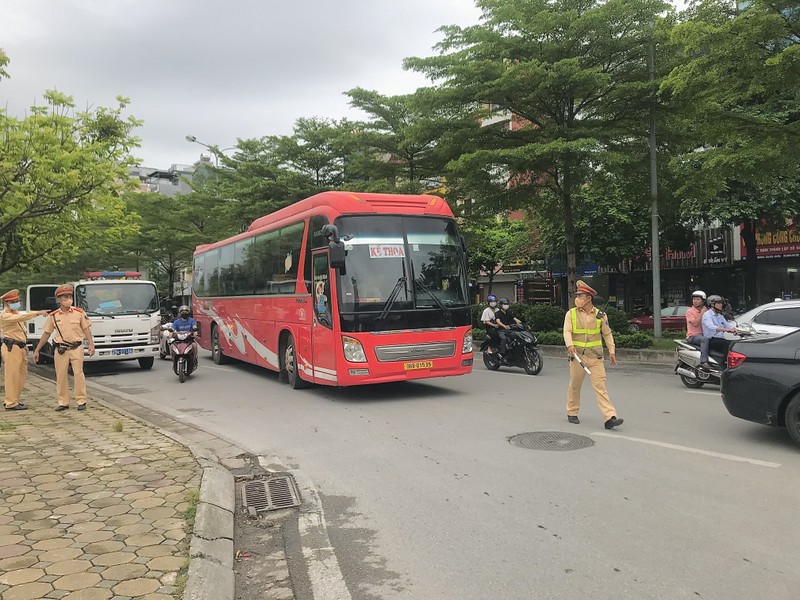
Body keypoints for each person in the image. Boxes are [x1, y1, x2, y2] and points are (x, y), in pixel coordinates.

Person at [563, 280, 624, 429]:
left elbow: (607, 334)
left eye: (580, 295)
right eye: (576, 295)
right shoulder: (571, 314)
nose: (577, 298)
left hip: (596, 358)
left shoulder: (600, 315)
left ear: (588, 298)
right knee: (575, 385)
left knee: (601, 387)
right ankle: (572, 411)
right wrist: (570, 345)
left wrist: (611, 351)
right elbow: (567, 331)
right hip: (578, 357)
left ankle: (610, 417)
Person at [33, 284, 95, 411]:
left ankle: (81, 401)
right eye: (65, 297)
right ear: (59, 299)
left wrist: (91, 344)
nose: (68, 299)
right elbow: (46, 333)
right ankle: (63, 402)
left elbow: (86, 329)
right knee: (61, 376)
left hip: (76, 347)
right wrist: (37, 349)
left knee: (78, 374)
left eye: (70, 296)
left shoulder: (79, 313)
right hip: (61, 349)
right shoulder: (54, 316)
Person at [1, 289, 48, 411]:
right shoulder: (5, 315)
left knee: (21, 375)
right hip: (11, 347)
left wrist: (25, 345)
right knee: (12, 375)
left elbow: (21, 332)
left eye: (17, 301)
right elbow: (23, 317)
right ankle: (10, 402)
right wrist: (37, 313)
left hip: (20, 347)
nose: (16, 303)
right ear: (7, 303)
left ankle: (14, 399)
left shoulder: (16, 314)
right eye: (13, 301)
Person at [700, 295, 737, 370]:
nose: (721, 305)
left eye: (721, 303)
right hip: (711, 339)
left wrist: (738, 330)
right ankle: (724, 363)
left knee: (735, 343)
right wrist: (727, 330)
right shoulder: (707, 315)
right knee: (728, 344)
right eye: (719, 303)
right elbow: (712, 327)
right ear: (712, 304)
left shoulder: (720, 316)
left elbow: (728, 326)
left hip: (720, 339)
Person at [172, 305, 199, 370]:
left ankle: (194, 360)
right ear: (180, 313)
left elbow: (194, 326)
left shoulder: (191, 320)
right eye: (183, 311)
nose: (184, 313)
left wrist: (195, 331)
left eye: (186, 311)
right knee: (171, 346)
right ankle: (174, 362)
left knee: (194, 345)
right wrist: (171, 333)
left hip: (189, 340)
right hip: (179, 340)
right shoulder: (177, 322)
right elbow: (173, 329)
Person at [685, 290, 708, 358]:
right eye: (694, 299)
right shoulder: (690, 311)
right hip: (693, 336)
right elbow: (695, 323)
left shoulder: (707, 311)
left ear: (703, 301)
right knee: (705, 339)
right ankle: (704, 361)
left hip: (705, 335)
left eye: (698, 299)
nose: (695, 301)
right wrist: (702, 313)